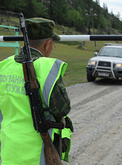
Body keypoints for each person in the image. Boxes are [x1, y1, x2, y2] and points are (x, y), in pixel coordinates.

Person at [0, 18, 73, 164]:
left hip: (9, 150)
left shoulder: (4, 65)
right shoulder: (47, 68)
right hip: (37, 155)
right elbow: (62, 109)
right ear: (48, 43)